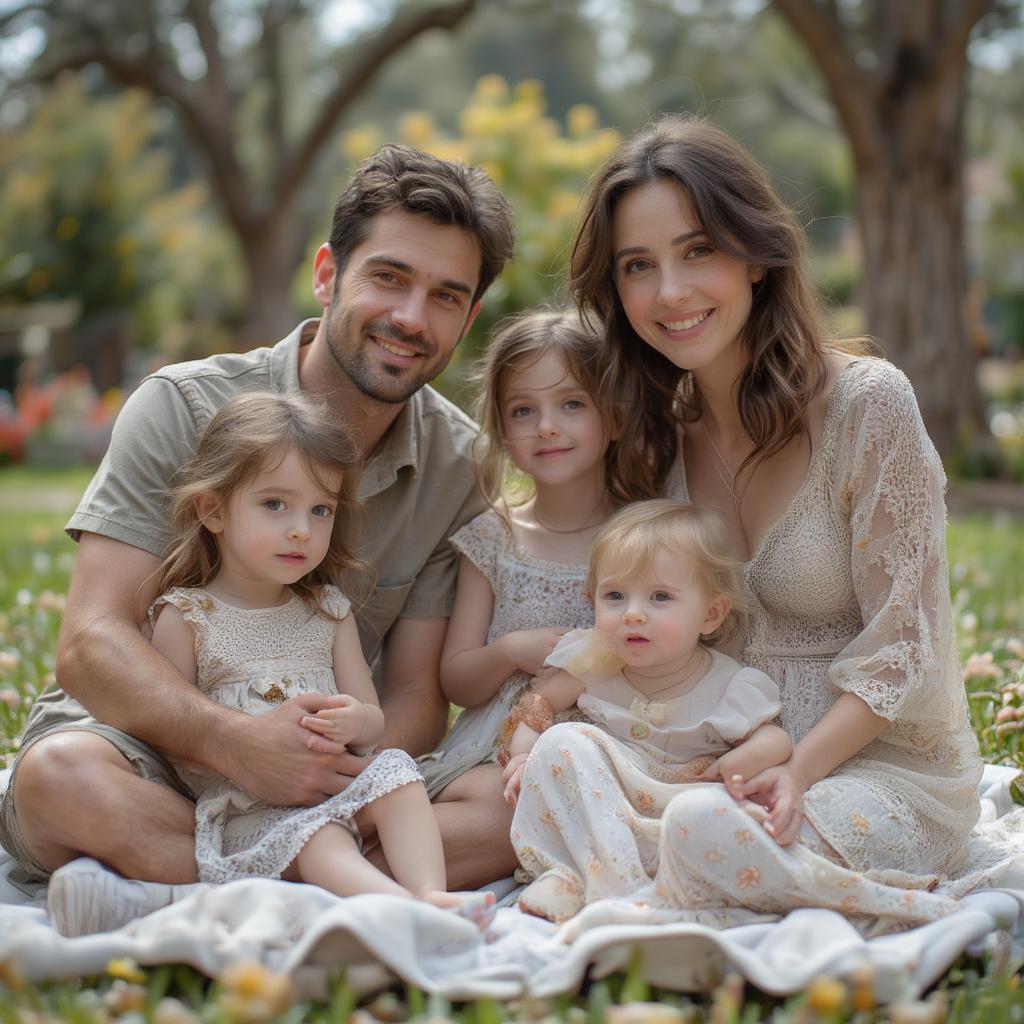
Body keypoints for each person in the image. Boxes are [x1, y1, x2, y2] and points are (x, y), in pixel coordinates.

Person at [0, 143, 516, 934]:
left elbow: (416, 692)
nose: (412, 318)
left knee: (502, 814)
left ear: (469, 317)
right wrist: (235, 744)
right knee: (62, 781)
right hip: (155, 755)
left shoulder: (458, 466)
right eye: (388, 277)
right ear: (326, 274)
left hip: (328, 767)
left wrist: (329, 756)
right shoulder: (180, 405)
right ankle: (345, 896)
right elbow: (91, 641)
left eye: (446, 297)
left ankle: (180, 893)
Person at [559, 114, 983, 931]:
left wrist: (797, 768)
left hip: (875, 770)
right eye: (638, 267)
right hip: (710, 760)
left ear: (755, 255)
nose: (670, 292)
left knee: (698, 833)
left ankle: (879, 903)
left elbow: (905, 645)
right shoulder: (654, 437)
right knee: (580, 774)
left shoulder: (868, 406)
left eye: (698, 251)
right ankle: (679, 892)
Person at [146, 391, 492, 920]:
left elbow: (373, 717)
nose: (301, 530)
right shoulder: (189, 616)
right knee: (321, 836)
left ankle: (430, 892)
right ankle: (402, 910)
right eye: (274, 504)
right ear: (213, 510)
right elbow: (174, 736)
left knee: (398, 774)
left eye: (321, 509)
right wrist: (254, 751)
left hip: (336, 782)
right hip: (250, 803)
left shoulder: (327, 611)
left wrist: (355, 720)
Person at [501, 500, 792, 923]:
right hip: (602, 814)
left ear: (710, 614)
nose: (633, 613)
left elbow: (774, 738)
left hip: (676, 812)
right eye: (615, 596)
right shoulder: (591, 662)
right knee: (563, 742)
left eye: (660, 597)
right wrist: (526, 754)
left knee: (726, 819)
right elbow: (539, 707)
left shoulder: (730, 686)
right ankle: (571, 874)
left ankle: (655, 886)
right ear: (593, 600)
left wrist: (745, 758)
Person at [418, 308, 642, 799]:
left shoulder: (642, 537)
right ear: (500, 428)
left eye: (572, 404)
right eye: (523, 410)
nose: (546, 426)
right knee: (487, 798)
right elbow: (458, 681)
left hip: (606, 742)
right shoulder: (493, 537)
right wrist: (509, 651)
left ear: (616, 416)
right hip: (494, 747)